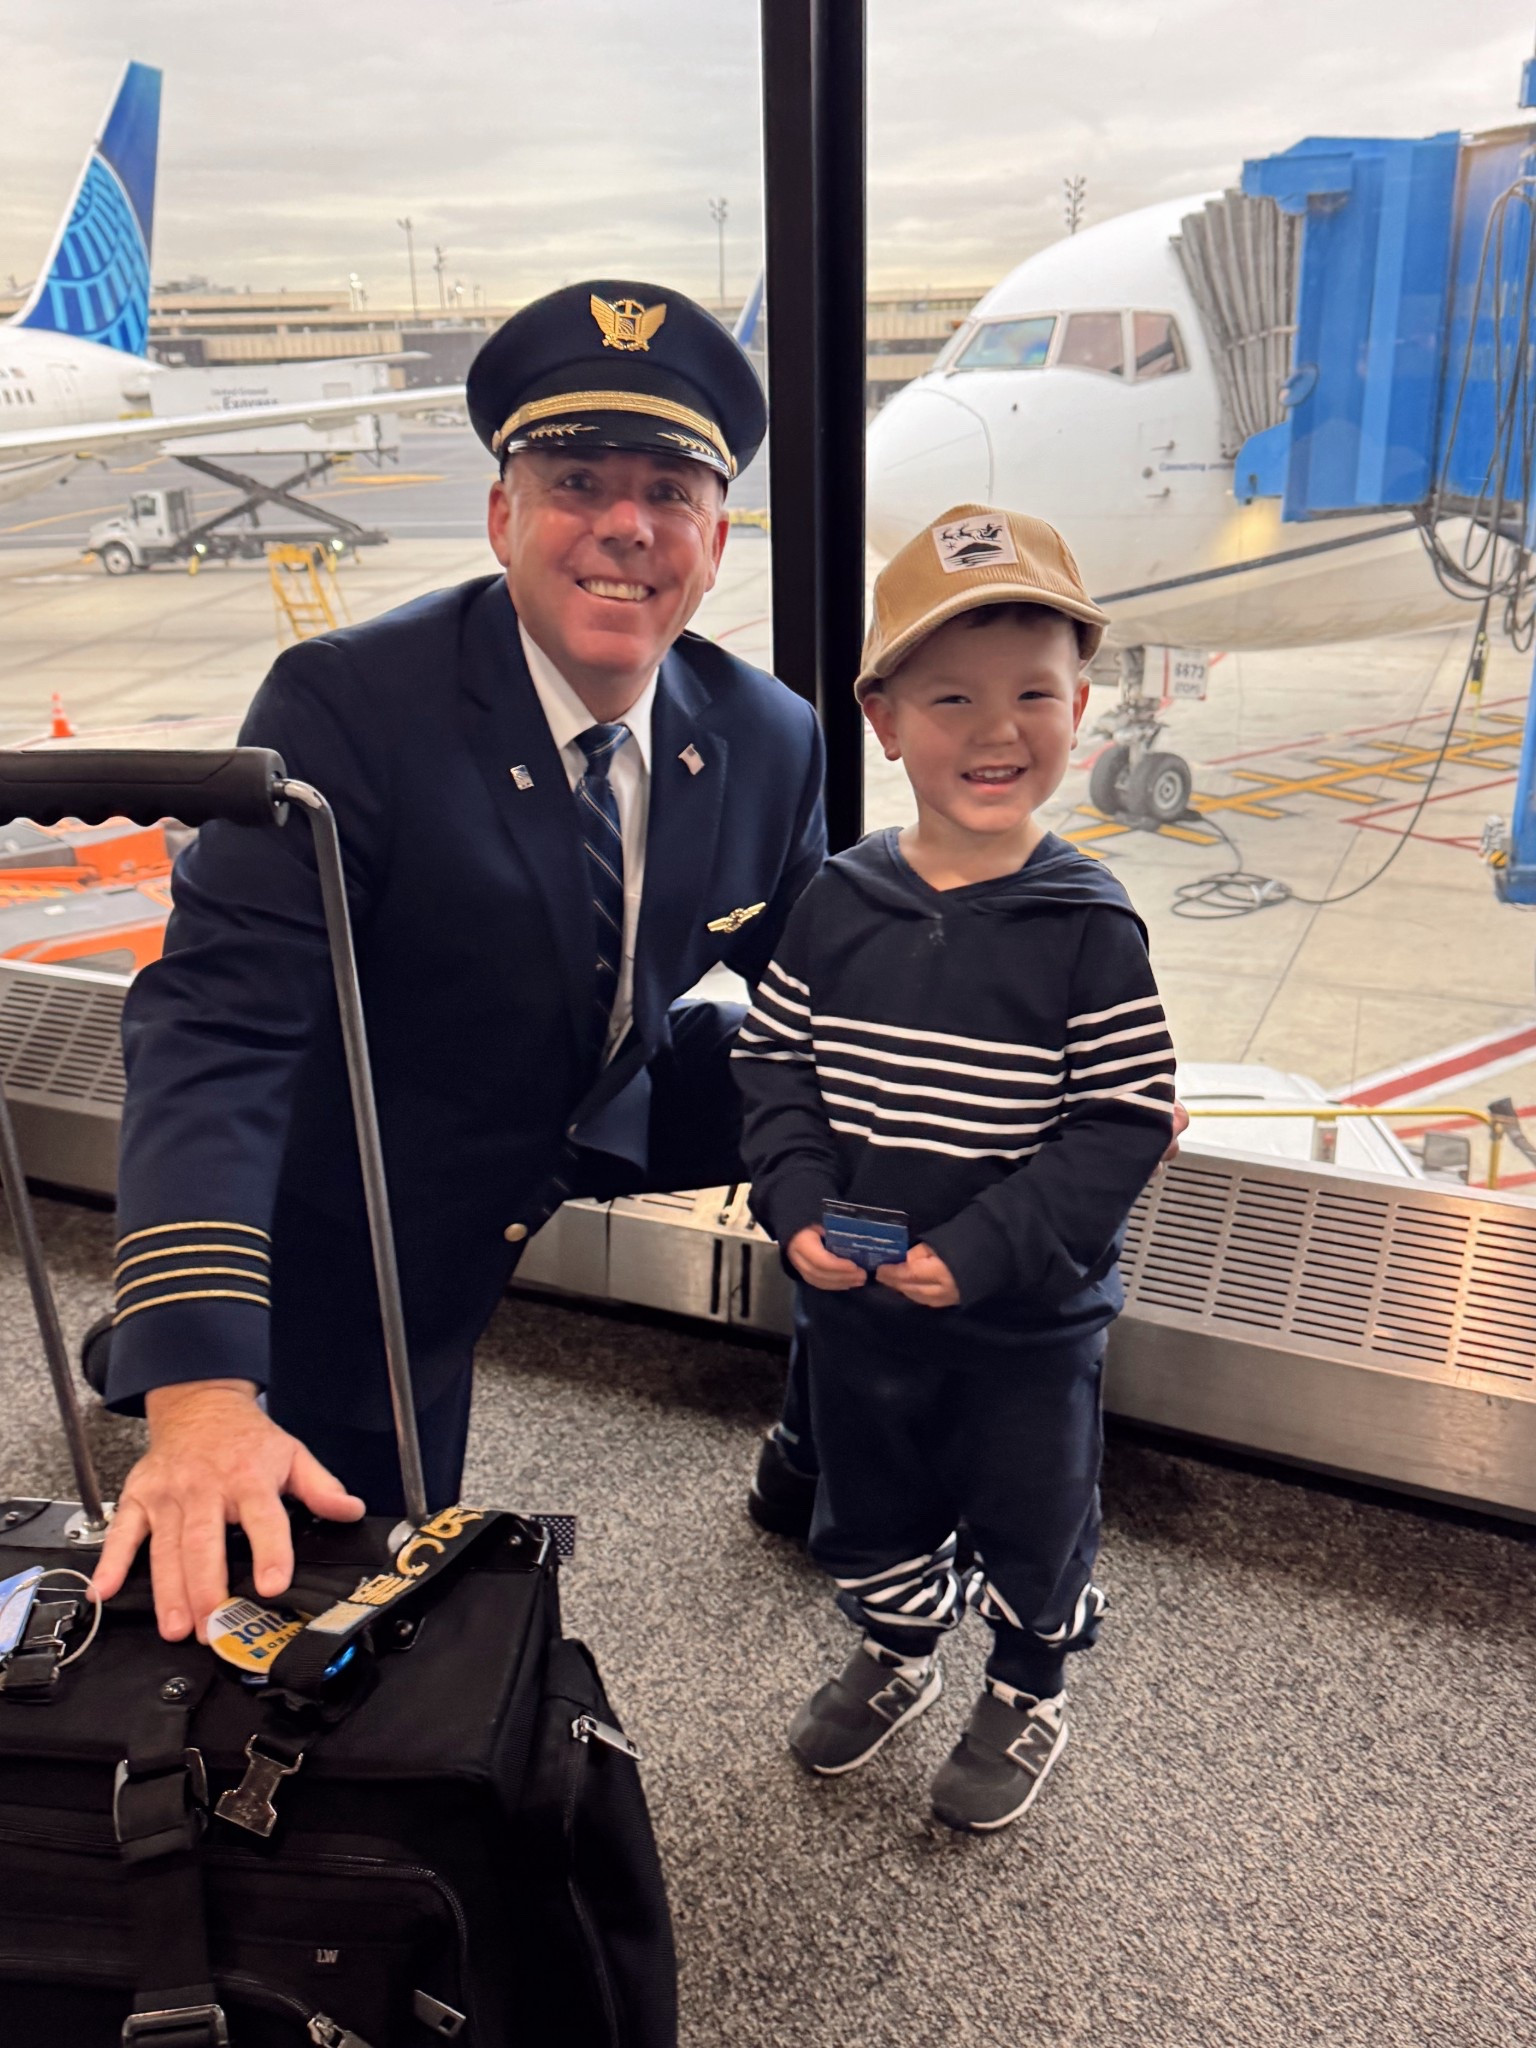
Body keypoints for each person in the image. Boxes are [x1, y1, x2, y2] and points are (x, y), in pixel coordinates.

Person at [90, 279, 826, 1643]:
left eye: (669, 488)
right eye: (577, 479)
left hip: (596, 1096)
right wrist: (198, 1398)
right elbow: (217, 1029)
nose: (625, 523)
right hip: (381, 1172)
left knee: (884, 1101)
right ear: (502, 518)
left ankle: (836, 1452)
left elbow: (831, 977)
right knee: (350, 1552)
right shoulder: (348, 708)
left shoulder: (769, 737)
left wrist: (1034, 1060)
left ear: (717, 538)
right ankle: (177, 1336)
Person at [731, 505, 1177, 1833]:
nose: (998, 730)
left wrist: (979, 1251)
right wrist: (799, 1208)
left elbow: (1122, 1122)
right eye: (953, 697)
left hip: (1026, 1324)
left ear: (1080, 706)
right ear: (883, 718)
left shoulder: (1086, 928)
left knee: (1033, 1515)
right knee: (876, 1496)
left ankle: (1030, 1681)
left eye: (1035, 693)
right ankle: (900, 1649)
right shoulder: (837, 899)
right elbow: (773, 1072)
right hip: (857, 1301)